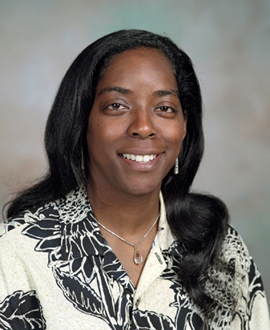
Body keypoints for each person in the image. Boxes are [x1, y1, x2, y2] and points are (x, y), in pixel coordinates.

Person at [0, 29, 269, 330]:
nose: (143, 127)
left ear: (184, 127)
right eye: (117, 105)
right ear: (81, 122)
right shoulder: (14, 253)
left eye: (164, 108)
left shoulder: (222, 250)